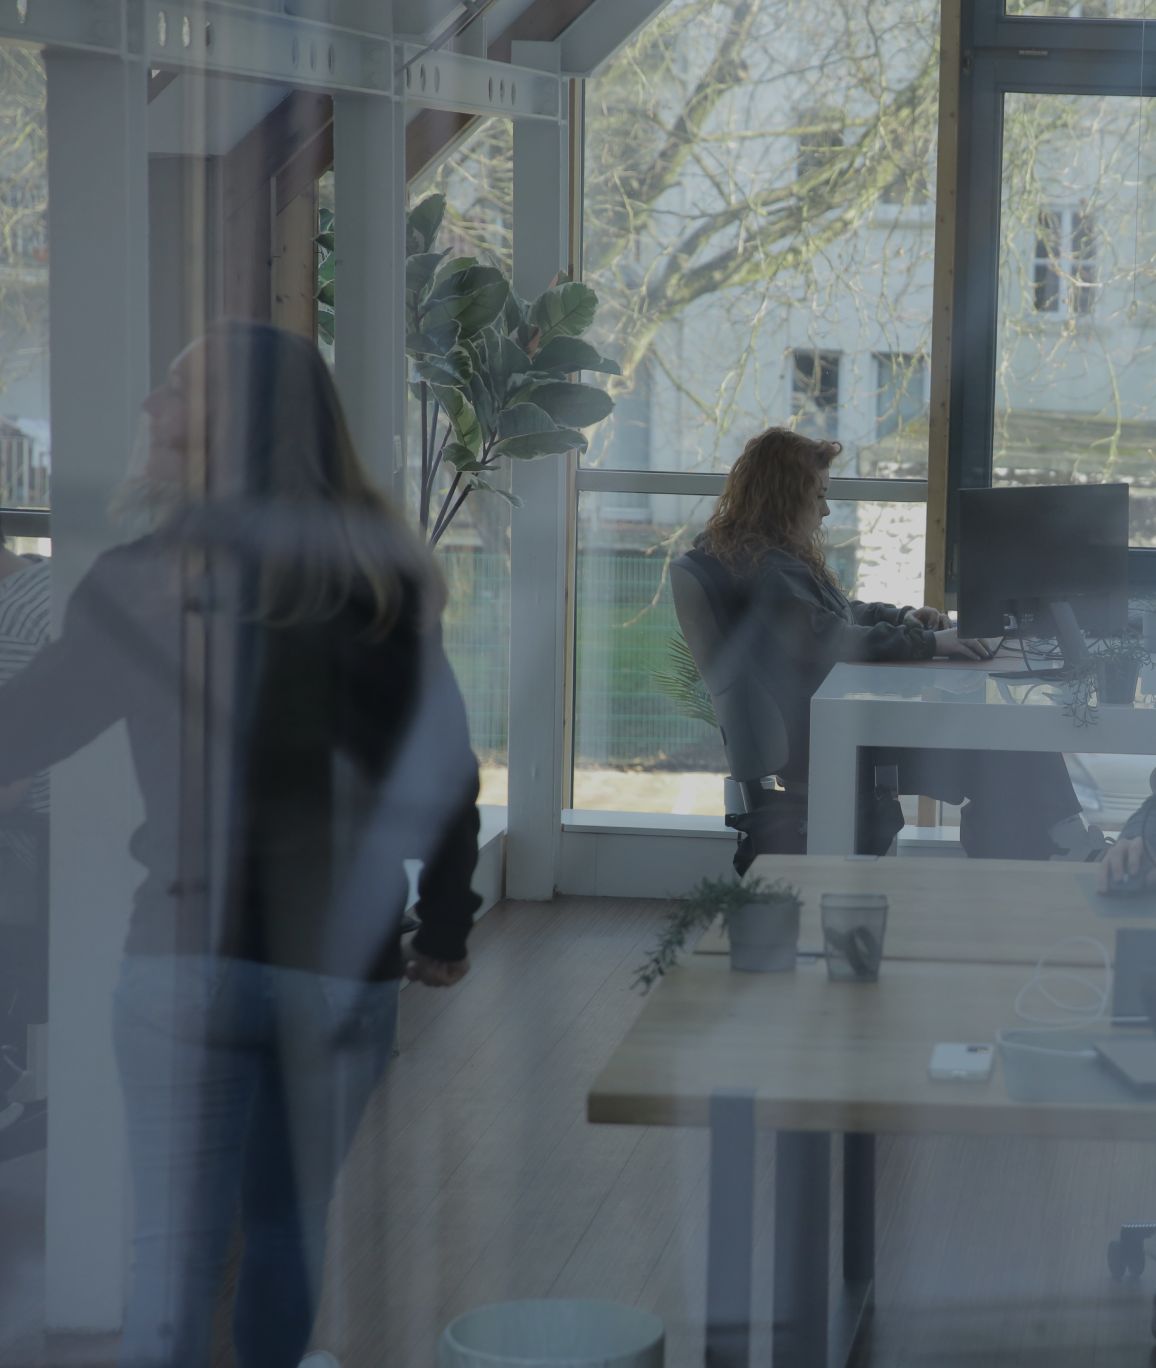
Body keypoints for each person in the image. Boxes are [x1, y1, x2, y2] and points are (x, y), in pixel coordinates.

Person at [0, 320, 481, 1367]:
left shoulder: (142, 579)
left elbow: (23, 730)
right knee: (283, 1233)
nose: (149, 408)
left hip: (180, 962)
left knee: (172, 1256)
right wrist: (445, 926)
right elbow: (443, 772)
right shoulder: (379, 579)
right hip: (337, 970)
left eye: (175, 392)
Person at [690, 426, 1100, 859]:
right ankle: (1060, 850)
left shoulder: (755, 555)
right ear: (782, 498)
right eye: (817, 496)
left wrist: (904, 618)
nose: (826, 511)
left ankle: (1053, 849)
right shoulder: (766, 570)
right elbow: (829, 638)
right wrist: (933, 644)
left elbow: (833, 616)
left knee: (1005, 747)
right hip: (834, 734)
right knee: (1006, 740)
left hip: (835, 721)